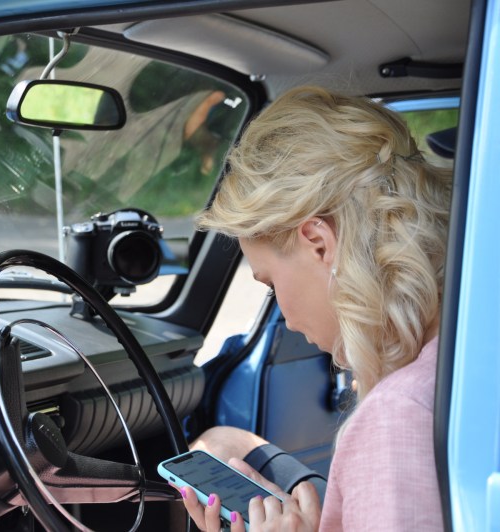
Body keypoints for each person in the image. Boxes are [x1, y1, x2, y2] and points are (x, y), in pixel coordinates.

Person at [181, 85, 451, 531]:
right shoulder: (460, 361)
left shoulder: (398, 417)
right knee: (220, 442)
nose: (284, 316)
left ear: (319, 244)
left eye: (270, 284)